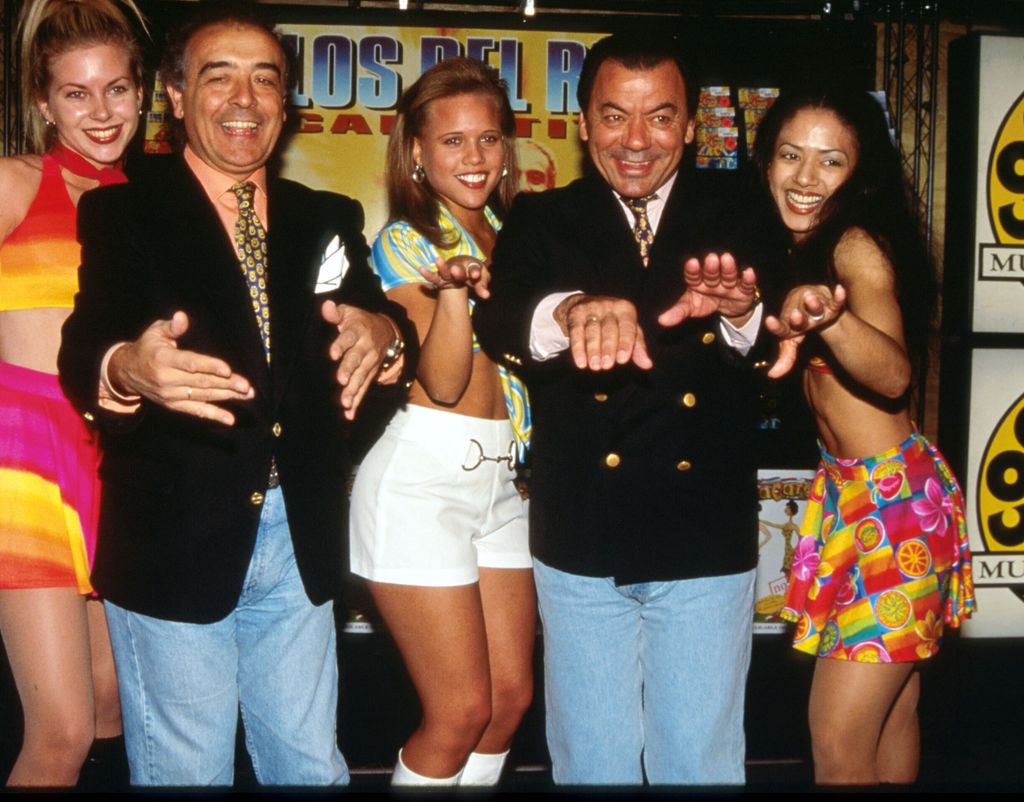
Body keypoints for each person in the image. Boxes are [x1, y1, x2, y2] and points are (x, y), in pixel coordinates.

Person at [57, 3, 414, 787]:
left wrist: (387, 336)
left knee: (310, 769)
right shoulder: (123, 210)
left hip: (303, 537)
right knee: (189, 771)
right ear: (177, 96)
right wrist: (127, 368)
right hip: (174, 538)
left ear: (286, 102)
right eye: (219, 78)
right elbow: (88, 340)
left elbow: (375, 325)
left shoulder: (326, 216)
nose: (245, 100)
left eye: (266, 80)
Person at [473, 33, 765, 785]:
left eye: (660, 118)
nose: (636, 141)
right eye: (614, 116)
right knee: (591, 766)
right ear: (582, 124)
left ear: (691, 127)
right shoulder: (541, 216)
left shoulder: (741, 210)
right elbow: (499, 319)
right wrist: (570, 310)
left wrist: (743, 314)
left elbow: (778, 338)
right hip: (581, 541)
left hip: (704, 539)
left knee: (698, 767)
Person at [751, 85, 975, 784]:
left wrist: (831, 318)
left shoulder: (852, 247)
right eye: (790, 154)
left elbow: (894, 373)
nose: (806, 177)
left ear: (858, 173)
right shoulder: (803, 250)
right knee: (893, 715)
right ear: (765, 161)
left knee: (837, 740)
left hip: (893, 508)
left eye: (831, 161)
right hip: (860, 497)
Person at [349, 57, 534, 787]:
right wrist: (454, 294)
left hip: (503, 484)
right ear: (418, 154)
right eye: (453, 141)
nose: (474, 156)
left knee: (507, 703)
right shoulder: (404, 242)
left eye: (487, 138)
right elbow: (447, 381)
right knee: (458, 712)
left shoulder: (516, 236)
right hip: (421, 484)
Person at [0, 0, 146, 787]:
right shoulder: (14, 182)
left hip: (112, 460)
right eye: (76, 93)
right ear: (43, 102)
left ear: (142, 92)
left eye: (116, 89)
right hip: (21, 461)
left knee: (111, 705)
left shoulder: (154, 201)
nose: (101, 111)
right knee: (60, 732)